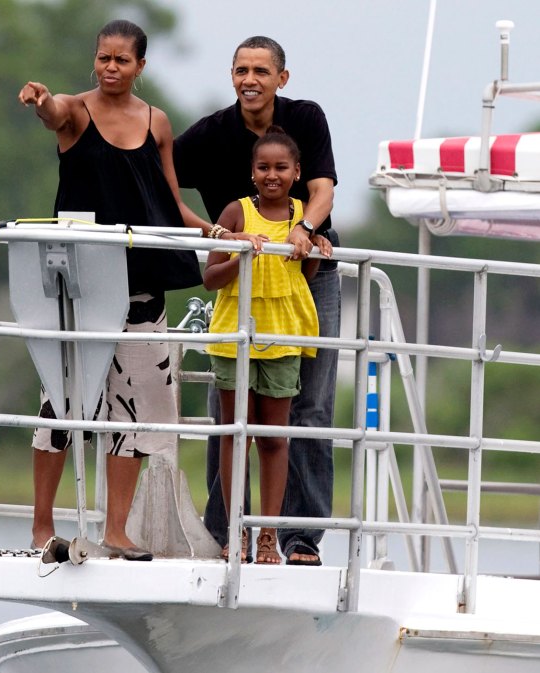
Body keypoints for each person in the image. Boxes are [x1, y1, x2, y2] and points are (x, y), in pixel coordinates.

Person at [18, 19, 214, 560]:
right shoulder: (75, 111)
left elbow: (168, 199)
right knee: (60, 402)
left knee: (139, 405)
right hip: (79, 284)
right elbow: (53, 111)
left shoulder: (157, 122)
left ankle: (117, 530)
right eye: (103, 58)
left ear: (140, 67)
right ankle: (41, 526)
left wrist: (211, 232)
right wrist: (40, 101)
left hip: (143, 281)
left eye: (121, 60)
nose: (110, 67)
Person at [174, 36, 339, 566]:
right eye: (241, 69)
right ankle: (227, 532)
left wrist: (308, 232)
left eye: (261, 71)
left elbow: (323, 189)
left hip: (304, 277)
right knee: (231, 417)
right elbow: (154, 179)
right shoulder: (211, 133)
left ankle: (296, 538)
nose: (250, 80)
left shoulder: (305, 119)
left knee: (306, 410)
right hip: (237, 287)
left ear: (281, 79)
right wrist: (212, 233)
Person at [204, 127, 328, 564]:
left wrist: (313, 248)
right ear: (251, 172)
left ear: (297, 173)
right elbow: (209, 277)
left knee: (274, 437)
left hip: (282, 333)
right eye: (263, 167)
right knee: (236, 434)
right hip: (235, 332)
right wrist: (241, 255)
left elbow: (303, 278)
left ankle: (267, 536)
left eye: (280, 168)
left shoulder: (303, 216)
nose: (271, 175)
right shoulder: (236, 213)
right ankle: (236, 530)